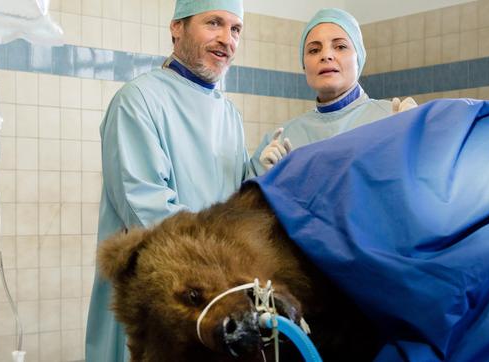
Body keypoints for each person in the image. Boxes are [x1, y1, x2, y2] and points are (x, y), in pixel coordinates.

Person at [85, 1, 247, 361]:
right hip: (158, 300)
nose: (226, 39)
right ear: (177, 27)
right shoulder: (137, 101)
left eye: (235, 29)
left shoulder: (230, 116)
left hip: (212, 303)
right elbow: (148, 213)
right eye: (214, 23)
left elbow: (240, 210)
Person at [249, 8, 417, 175]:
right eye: (314, 50)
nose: (326, 55)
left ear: (358, 58)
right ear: (304, 65)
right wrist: (268, 182)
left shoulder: (394, 118)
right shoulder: (281, 140)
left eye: (340, 46)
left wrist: (417, 143)